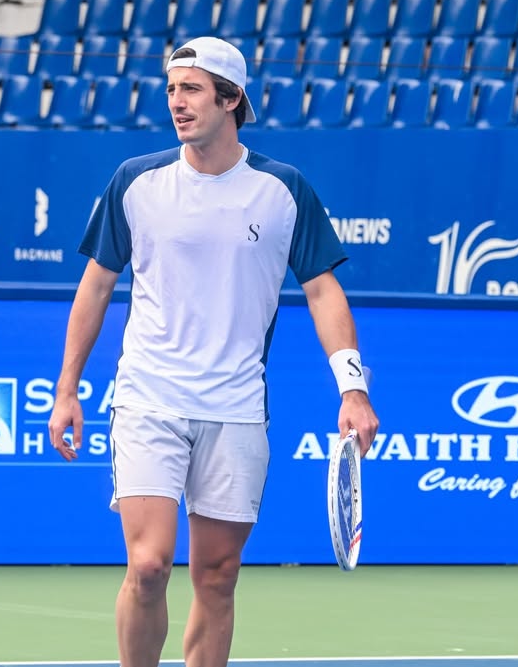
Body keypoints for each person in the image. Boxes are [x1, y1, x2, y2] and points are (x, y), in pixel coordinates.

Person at [46, 36, 380, 667]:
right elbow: (95, 286)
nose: (177, 102)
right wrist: (67, 389)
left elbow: (323, 291)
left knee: (218, 576)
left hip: (236, 407)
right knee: (148, 566)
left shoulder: (283, 189)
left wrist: (352, 388)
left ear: (231, 99)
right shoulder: (136, 181)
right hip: (149, 399)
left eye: (192, 89)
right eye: (171, 89)